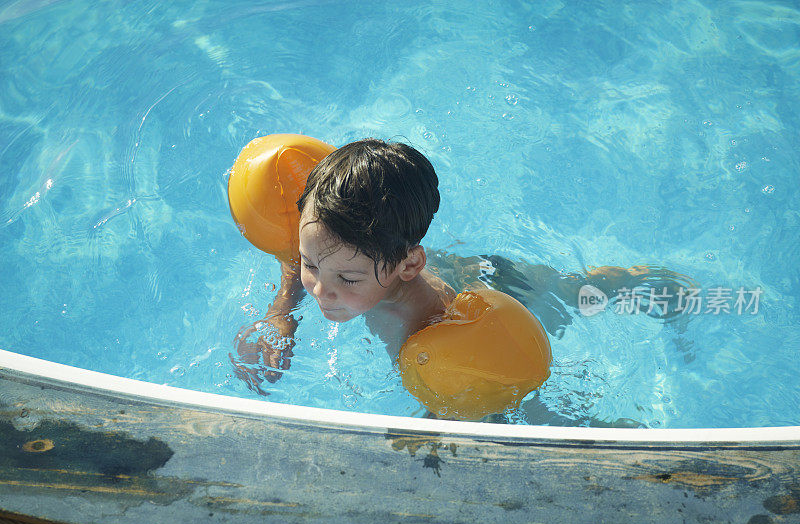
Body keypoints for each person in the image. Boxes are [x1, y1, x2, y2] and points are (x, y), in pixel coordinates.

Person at [230, 138, 694, 411]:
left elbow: (475, 390)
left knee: (573, 295)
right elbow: (297, 257)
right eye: (313, 266)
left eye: (347, 281)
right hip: (460, 264)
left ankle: (637, 280)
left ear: (408, 266)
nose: (321, 289)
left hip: (501, 287)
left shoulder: (427, 323)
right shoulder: (336, 247)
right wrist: (281, 313)